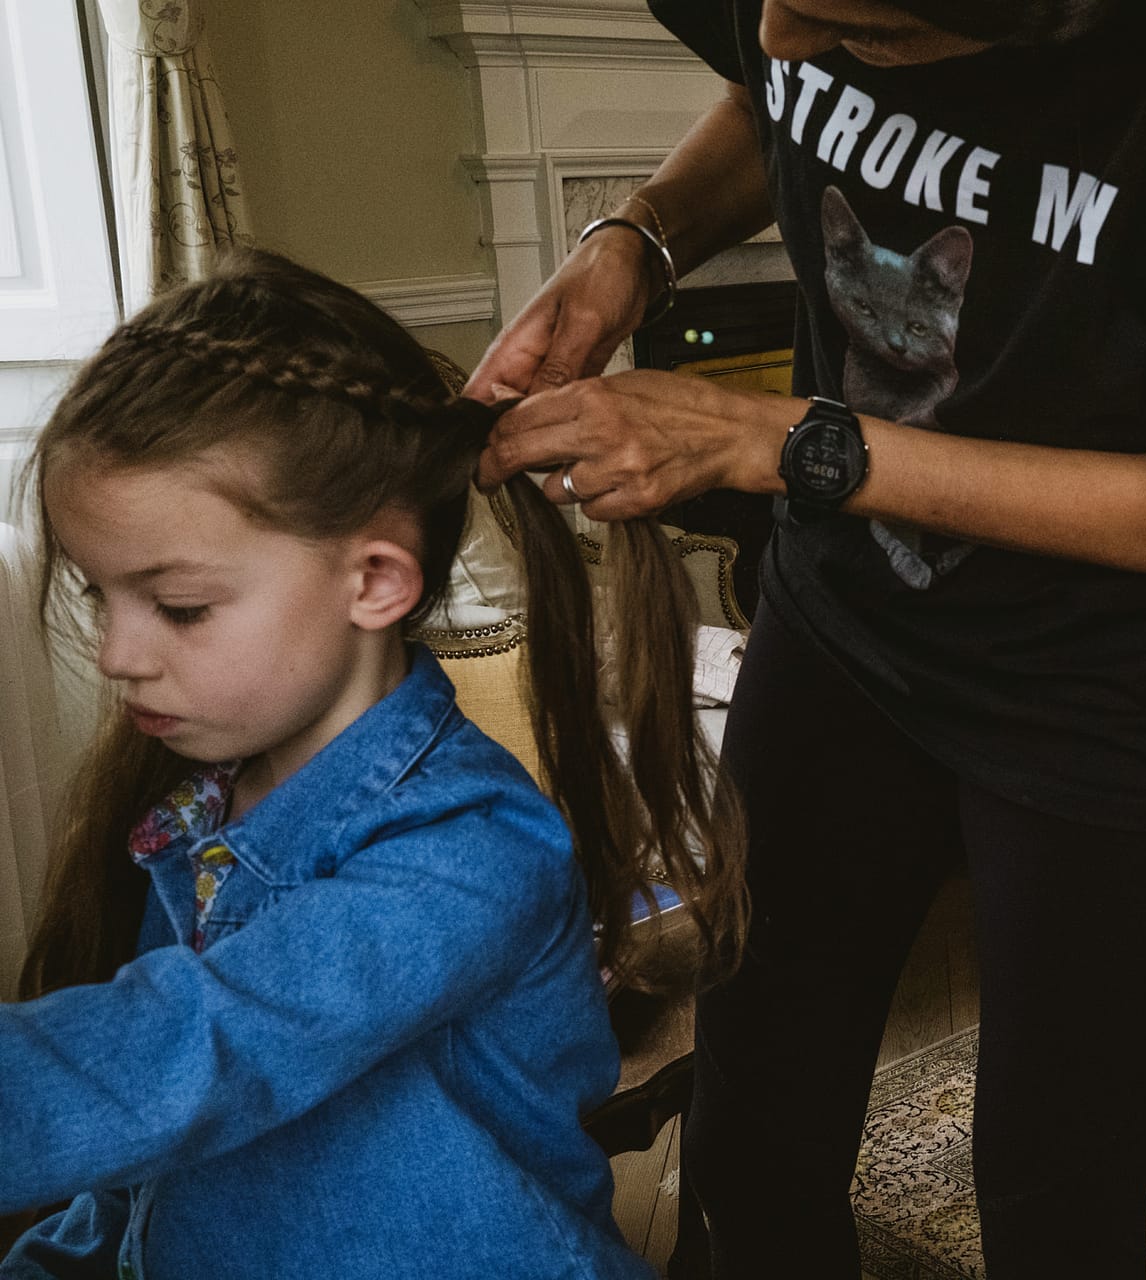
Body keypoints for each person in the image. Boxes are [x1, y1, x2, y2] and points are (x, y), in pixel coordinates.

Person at [465, 0, 1146, 1271]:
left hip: (1122, 694)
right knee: (747, 1144)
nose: (782, 36)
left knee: (1055, 1206)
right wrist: (640, 239)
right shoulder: (789, 21)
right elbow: (782, 98)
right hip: (843, 627)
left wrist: (775, 441)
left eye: (853, 25)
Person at [0, 250, 744, 1279]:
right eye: (99, 596)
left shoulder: (470, 852)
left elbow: (197, 1048)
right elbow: (170, 1161)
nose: (119, 654)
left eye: (178, 607)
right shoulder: (202, 804)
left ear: (377, 580)